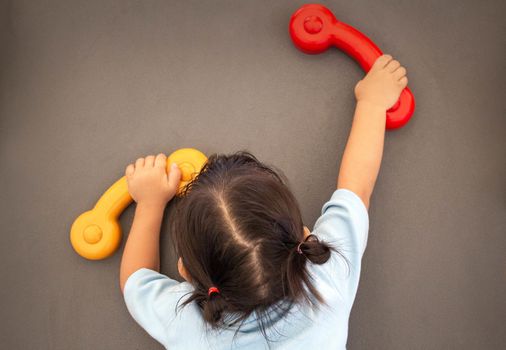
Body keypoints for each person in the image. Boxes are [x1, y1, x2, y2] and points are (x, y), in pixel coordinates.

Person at [119, 54, 408, 349]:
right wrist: (372, 103)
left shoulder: (186, 324)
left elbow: (135, 280)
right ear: (305, 237)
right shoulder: (328, 279)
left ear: (185, 272)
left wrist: (149, 203)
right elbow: (357, 187)